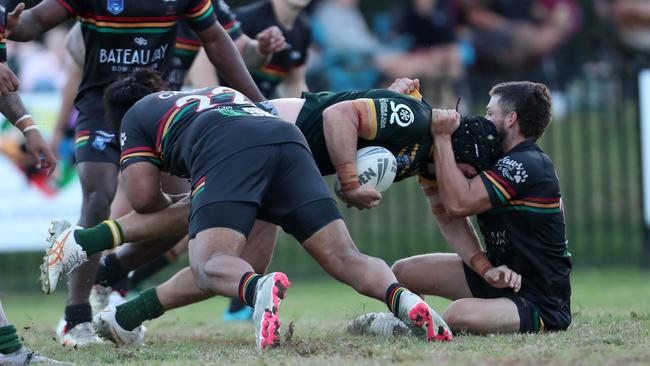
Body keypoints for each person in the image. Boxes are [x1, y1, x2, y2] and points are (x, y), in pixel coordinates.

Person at [42, 77, 503, 346]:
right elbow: (341, 115)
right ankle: (125, 316)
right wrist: (346, 176)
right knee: (343, 258)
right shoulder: (420, 124)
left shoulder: (144, 114)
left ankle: (83, 245)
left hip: (241, 145)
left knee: (214, 265)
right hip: (286, 146)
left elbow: (145, 201)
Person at [6, 0, 265, 347]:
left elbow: (217, 41)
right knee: (98, 194)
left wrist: (259, 102)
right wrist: (9, 18)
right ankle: (76, 317)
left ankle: (109, 275)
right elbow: (33, 22)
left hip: (156, 110)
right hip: (101, 108)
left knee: (191, 209)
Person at [353, 81, 571, 335]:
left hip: (537, 299)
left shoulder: (528, 163)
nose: (485, 118)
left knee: (458, 314)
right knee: (403, 272)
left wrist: (443, 138)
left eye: (491, 112)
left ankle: (406, 330)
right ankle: (408, 325)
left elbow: (459, 204)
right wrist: (399, 102)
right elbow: (447, 215)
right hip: (500, 277)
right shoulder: (491, 158)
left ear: (511, 119)